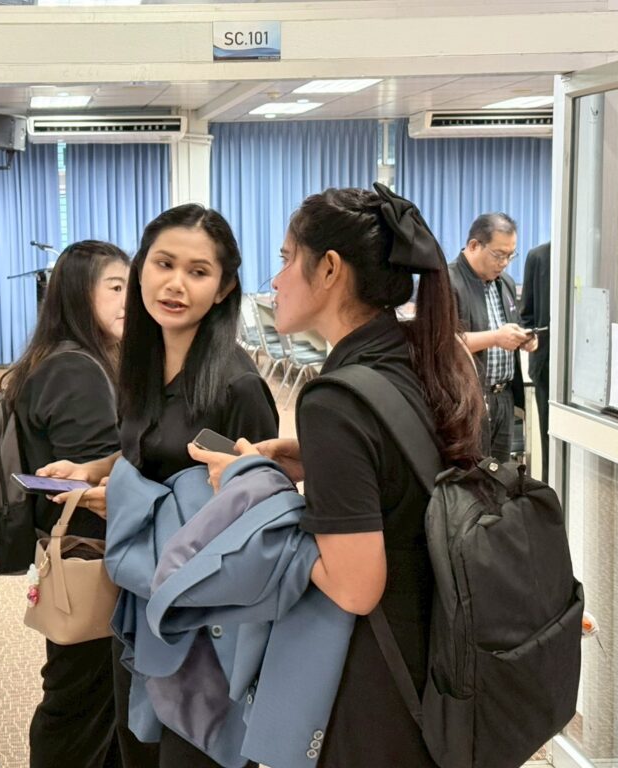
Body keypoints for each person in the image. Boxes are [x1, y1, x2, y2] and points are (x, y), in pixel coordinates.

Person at [188, 185, 486, 767]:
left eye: (284, 259)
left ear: (328, 268)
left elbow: (355, 585)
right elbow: (405, 467)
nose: (276, 282)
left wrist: (253, 491)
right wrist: (314, 459)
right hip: (444, 646)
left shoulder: (335, 400)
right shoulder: (425, 356)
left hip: (383, 674)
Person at [40, 203, 279, 768]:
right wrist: (94, 469)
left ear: (223, 289)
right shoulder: (141, 365)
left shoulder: (237, 388)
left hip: (205, 624)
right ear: (141, 268)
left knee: (191, 754)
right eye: (164, 264)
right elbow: (150, 449)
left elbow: (255, 523)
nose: (175, 284)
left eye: (198, 272)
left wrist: (126, 504)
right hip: (141, 601)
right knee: (137, 748)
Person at [0, 239, 130, 768]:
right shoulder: (77, 370)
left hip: (72, 561)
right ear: (79, 294)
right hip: (90, 563)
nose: (130, 301)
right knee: (81, 705)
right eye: (116, 288)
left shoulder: (58, 357)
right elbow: (92, 491)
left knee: (83, 701)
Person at [449, 213, 537, 461]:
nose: (505, 263)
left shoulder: (504, 282)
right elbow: (445, 341)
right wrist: (496, 338)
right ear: (474, 245)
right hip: (469, 399)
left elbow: (512, 325)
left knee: (501, 474)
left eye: (510, 255)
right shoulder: (448, 280)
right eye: (499, 255)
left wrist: (524, 338)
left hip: (503, 398)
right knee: (472, 472)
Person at [520, 241, 551, 479]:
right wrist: (530, 337)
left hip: (586, 371)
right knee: (549, 442)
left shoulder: (592, 251)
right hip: (547, 366)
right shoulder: (540, 256)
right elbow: (526, 315)